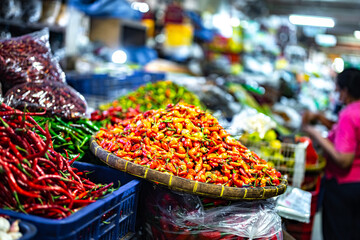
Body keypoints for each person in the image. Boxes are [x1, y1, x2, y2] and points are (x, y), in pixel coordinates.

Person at [302, 68, 360, 240]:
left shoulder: (348, 114)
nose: (337, 93)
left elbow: (343, 159)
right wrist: (321, 120)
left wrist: (313, 132)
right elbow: (348, 136)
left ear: (346, 90)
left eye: (338, 89)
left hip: (344, 188)